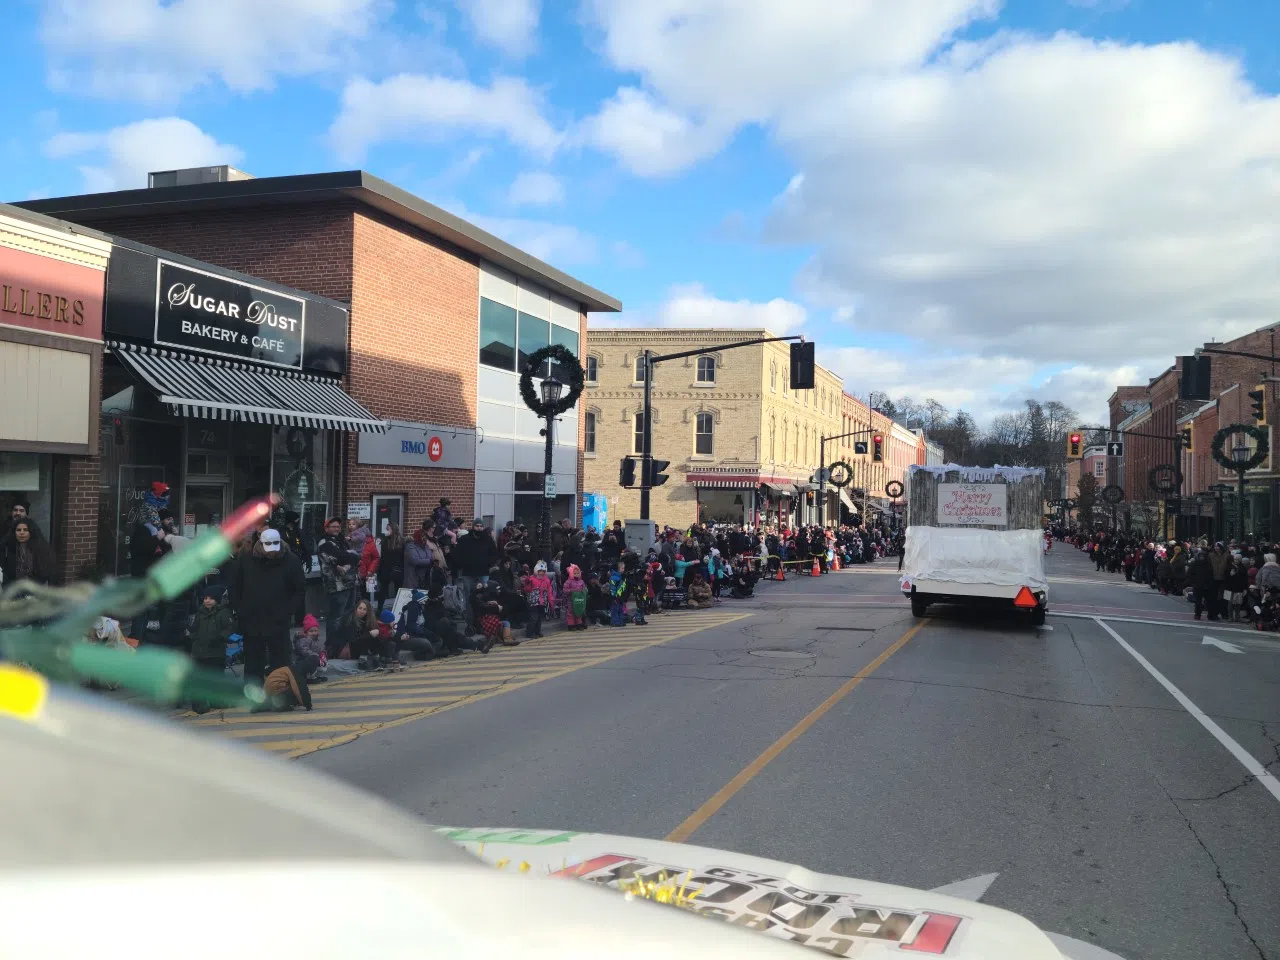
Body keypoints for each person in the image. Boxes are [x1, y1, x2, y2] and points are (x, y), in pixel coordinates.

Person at [228, 527, 306, 687]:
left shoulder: (291, 560)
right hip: (252, 619)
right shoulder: (246, 560)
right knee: (253, 660)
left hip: (278, 619)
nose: (272, 552)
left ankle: (281, 690)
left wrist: (287, 612)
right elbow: (235, 586)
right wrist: (240, 609)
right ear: (260, 544)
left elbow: (299, 590)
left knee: (281, 658)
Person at [187, 588, 235, 714]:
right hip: (200, 651)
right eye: (205, 598)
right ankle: (202, 703)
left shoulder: (223, 613)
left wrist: (221, 637)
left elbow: (229, 627)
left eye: (211, 598)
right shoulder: (200, 613)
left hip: (216, 652)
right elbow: (195, 629)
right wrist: (192, 636)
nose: (207, 601)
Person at [316, 517, 360, 639]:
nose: (337, 529)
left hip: (350, 583)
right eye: (334, 526)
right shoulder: (325, 543)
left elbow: (353, 557)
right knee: (336, 616)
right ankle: (332, 645)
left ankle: (344, 643)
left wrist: (349, 559)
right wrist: (351, 557)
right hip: (337, 585)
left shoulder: (341, 541)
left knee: (349, 614)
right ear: (326, 528)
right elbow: (342, 557)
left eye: (338, 527)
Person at [0, 517, 58, 586]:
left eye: (25, 530)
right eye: (18, 530)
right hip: (12, 591)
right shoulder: (7, 548)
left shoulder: (41, 549)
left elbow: (46, 573)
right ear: (14, 532)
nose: (22, 532)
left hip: (34, 591)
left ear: (31, 531)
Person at [250, 659, 315, 713]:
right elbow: (298, 690)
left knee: (292, 692)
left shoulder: (291, 668)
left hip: (271, 688)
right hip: (275, 688)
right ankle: (280, 706)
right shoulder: (296, 671)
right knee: (294, 694)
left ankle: (265, 705)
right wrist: (308, 704)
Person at [523, 560, 554, 639]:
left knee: (539, 618)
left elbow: (549, 591)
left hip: (542, 602)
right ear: (536, 571)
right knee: (534, 618)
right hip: (533, 602)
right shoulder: (532, 579)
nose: (542, 573)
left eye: (543, 571)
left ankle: (537, 631)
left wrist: (551, 601)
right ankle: (529, 633)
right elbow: (527, 589)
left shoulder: (547, 580)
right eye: (540, 571)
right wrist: (527, 581)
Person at [563, 564, 588, 630]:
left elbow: (584, 588)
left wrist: (585, 590)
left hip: (579, 599)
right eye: (575, 573)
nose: (576, 574)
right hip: (571, 600)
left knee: (579, 611)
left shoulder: (581, 581)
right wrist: (571, 591)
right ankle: (571, 625)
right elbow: (565, 590)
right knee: (571, 613)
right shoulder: (568, 581)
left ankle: (578, 624)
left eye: (578, 573)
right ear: (571, 573)